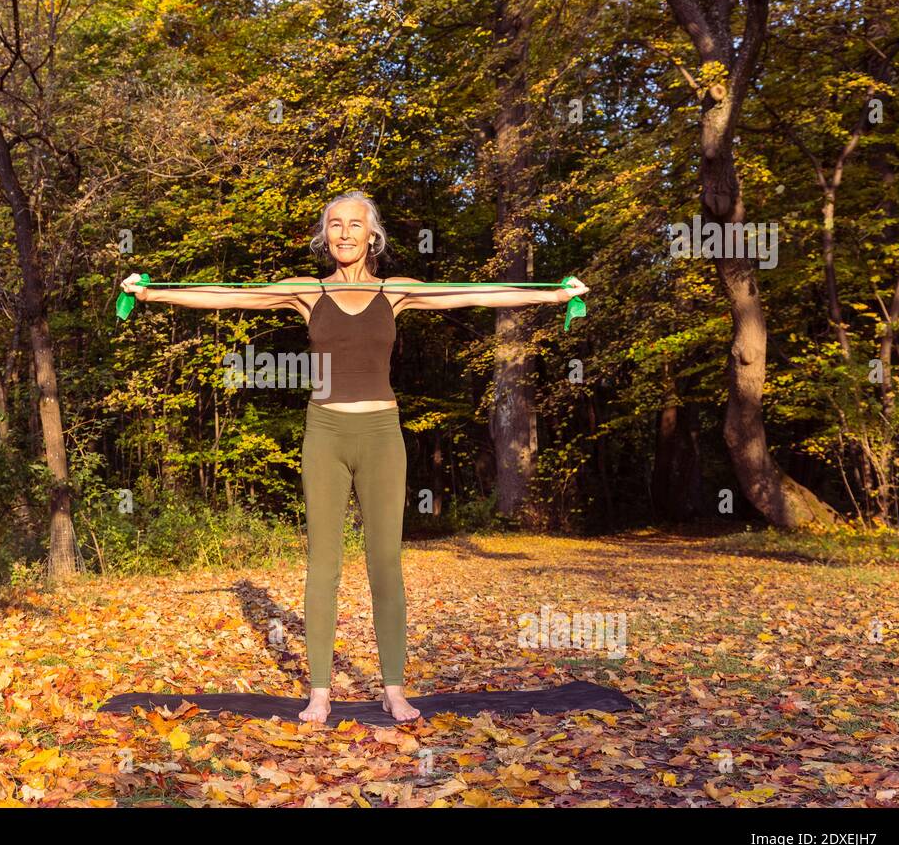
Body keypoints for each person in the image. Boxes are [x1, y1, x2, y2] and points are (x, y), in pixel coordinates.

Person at [120, 191, 588, 722]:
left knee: (385, 564)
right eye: (335, 225)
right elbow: (228, 295)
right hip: (324, 432)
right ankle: (319, 691)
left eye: (355, 225)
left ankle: (393, 689)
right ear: (326, 235)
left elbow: (475, 294)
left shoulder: (396, 292)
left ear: (373, 235)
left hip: (382, 434)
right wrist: (153, 294)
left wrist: (553, 295)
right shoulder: (306, 291)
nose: (344, 233)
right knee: (324, 564)